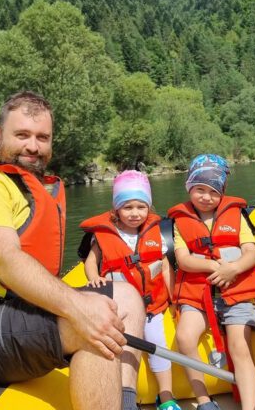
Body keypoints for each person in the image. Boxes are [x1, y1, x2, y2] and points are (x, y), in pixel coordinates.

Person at [0, 91, 146, 410]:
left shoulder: (23, 186)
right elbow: (7, 262)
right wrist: (80, 308)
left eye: (42, 137)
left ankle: (125, 403)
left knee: (125, 295)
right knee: (91, 324)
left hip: (14, 312)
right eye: (22, 135)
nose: (33, 146)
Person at [169, 154, 255, 410]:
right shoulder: (180, 221)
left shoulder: (236, 215)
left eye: (214, 191)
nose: (206, 197)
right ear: (189, 187)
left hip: (236, 292)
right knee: (185, 337)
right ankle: (204, 401)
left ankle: (250, 407)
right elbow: (184, 260)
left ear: (222, 192)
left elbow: (251, 253)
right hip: (198, 296)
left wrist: (233, 269)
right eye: (199, 189)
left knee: (239, 346)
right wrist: (213, 266)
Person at [80, 170, 181, 410]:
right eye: (127, 207)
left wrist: (174, 298)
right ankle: (126, 398)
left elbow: (165, 268)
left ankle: (166, 396)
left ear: (148, 207)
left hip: (153, 307)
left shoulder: (155, 232)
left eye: (141, 207)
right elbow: (91, 262)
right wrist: (94, 278)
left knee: (158, 344)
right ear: (116, 209)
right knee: (124, 349)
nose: (135, 213)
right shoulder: (102, 236)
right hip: (121, 308)